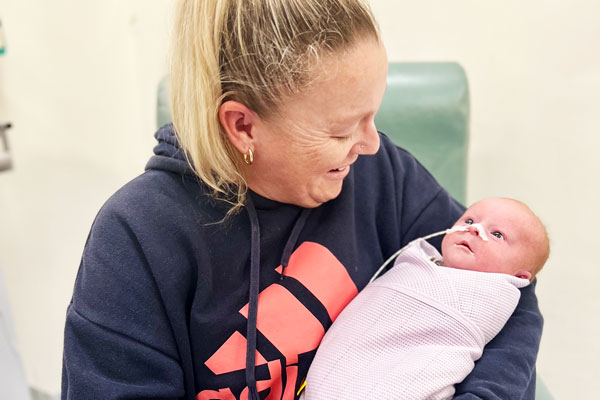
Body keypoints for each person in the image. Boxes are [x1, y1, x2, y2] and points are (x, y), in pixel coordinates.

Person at [61, 1, 543, 399]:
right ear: (243, 125)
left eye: (372, 116)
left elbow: (506, 288)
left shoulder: (381, 176)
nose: (371, 144)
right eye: (340, 130)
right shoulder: (137, 237)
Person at [303, 198, 549, 400]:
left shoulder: (491, 298)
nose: (474, 229)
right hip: (332, 377)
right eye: (469, 220)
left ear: (519, 277)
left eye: (497, 235)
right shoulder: (418, 259)